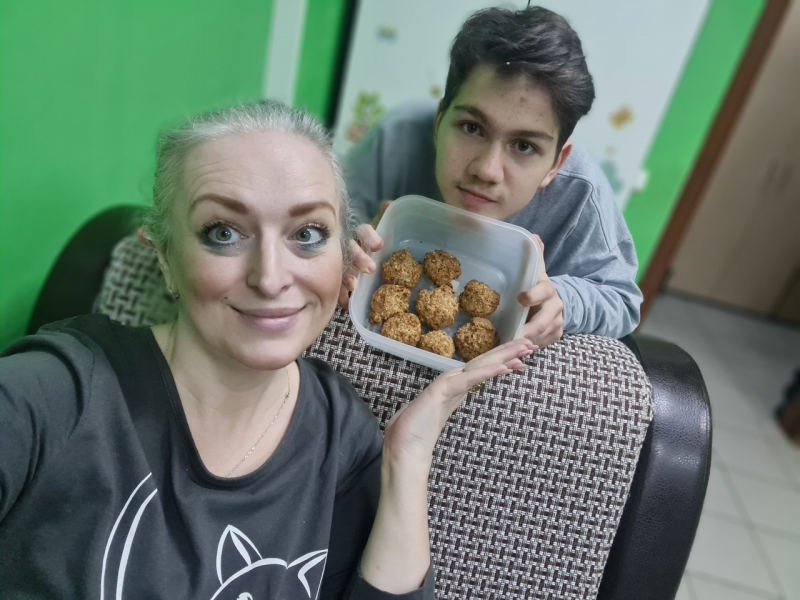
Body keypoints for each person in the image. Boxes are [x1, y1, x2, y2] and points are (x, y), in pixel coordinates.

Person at [0, 101, 535, 598]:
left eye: (308, 234)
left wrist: (409, 457)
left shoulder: (342, 437)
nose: (271, 277)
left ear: (345, 258)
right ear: (163, 255)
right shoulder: (57, 392)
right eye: (223, 233)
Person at [343, 6, 643, 347]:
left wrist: (564, 299)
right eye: (472, 128)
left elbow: (622, 299)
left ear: (556, 165)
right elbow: (331, 218)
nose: (487, 170)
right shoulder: (396, 139)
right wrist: (342, 244)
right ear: (440, 123)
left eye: (525, 146)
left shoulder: (581, 192)